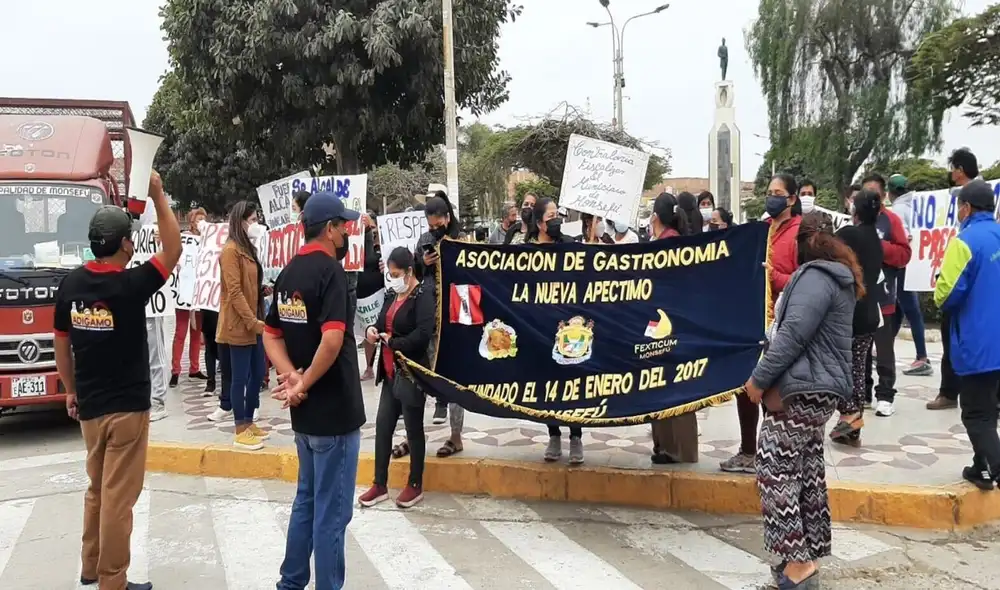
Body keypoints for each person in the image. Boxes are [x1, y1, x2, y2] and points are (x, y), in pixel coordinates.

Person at [53, 170, 180, 590]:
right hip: (126, 409)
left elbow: (61, 344)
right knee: (118, 499)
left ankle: (90, 569)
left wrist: (70, 390)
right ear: (126, 244)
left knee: (97, 490)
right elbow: (173, 248)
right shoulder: (131, 283)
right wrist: (159, 195)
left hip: (89, 408)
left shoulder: (70, 284)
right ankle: (113, 581)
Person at [746, 211, 858, 589]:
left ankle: (797, 563)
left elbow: (793, 335)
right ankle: (806, 554)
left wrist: (759, 379)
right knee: (806, 471)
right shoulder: (836, 277)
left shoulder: (814, 279)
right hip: (818, 390)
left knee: (775, 469)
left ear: (802, 243)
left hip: (802, 389)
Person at [263, 191, 365, 590]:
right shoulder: (331, 273)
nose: (346, 233)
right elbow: (333, 340)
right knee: (332, 513)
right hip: (334, 414)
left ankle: (290, 583)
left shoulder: (289, 273)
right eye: (343, 226)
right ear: (329, 229)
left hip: (304, 414)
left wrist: (291, 378)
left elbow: (271, 335)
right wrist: (300, 381)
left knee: (307, 500)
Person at [721, 173, 801, 474]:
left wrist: (774, 276)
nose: (772, 196)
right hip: (753, 321)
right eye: (769, 192)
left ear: (791, 199)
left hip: (784, 323)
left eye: (778, 192)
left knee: (775, 393)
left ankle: (774, 452)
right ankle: (748, 450)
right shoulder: (761, 231)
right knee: (747, 386)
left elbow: (804, 278)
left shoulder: (798, 234)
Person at [934, 179, 1000, 490]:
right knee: (989, 410)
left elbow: (947, 295)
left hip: (979, 343)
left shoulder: (965, 241)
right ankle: (981, 467)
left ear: (967, 208)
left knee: (976, 415)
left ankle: (995, 468)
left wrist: (938, 286)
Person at [358, 246, 434, 509]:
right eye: (390, 274)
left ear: (409, 271)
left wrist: (395, 342)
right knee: (383, 426)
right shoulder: (393, 294)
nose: (393, 278)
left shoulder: (423, 295)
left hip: (411, 372)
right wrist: (371, 330)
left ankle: (415, 484)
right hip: (390, 372)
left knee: (413, 429)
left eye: (396, 273)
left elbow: (423, 334)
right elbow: (380, 321)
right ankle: (379, 484)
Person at [524, 198, 585, 464]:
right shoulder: (524, 252)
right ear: (539, 223)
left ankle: (576, 436)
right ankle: (553, 434)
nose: (556, 219)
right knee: (546, 383)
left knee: (571, 380)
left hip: (568, 326)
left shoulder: (570, 246)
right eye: (551, 216)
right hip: (538, 326)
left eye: (557, 215)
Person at [647, 192, 699, 465]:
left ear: (656, 216)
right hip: (674, 322)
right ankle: (671, 447)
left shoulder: (666, 245)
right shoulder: (674, 241)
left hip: (667, 324)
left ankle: (672, 448)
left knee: (667, 385)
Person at [927, 149, 981, 410]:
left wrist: (943, 293)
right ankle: (951, 392)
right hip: (962, 272)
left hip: (968, 279)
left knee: (956, 333)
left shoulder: (978, 200)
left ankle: (953, 393)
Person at [829, 189, 883, 445]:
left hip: (850, 315)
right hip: (869, 313)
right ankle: (852, 422)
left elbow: (824, 245)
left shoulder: (850, 234)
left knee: (842, 367)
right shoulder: (875, 237)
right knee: (858, 369)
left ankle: (849, 416)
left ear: (855, 211)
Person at [414, 194, 466, 454]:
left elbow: (472, 273)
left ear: (447, 218)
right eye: (430, 226)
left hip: (456, 314)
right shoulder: (424, 241)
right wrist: (423, 264)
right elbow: (412, 272)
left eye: (438, 225)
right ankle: (421, 427)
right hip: (429, 315)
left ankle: (456, 436)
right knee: (430, 369)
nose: (434, 230)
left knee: (456, 373)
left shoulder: (461, 239)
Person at [217, 201, 268, 450]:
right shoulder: (230, 251)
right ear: (241, 221)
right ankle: (239, 428)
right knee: (239, 378)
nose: (254, 224)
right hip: (239, 324)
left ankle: (249, 421)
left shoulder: (249, 249)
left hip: (254, 321)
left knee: (258, 373)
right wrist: (251, 321)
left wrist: (263, 290)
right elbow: (234, 291)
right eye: (252, 219)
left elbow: (249, 287)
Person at [860, 173, 912, 417]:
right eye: (865, 194)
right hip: (859, 298)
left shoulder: (891, 221)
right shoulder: (855, 221)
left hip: (884, 297)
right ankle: (864, 392)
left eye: (874, 194)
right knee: (860, 350)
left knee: (883, 349)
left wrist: (879, 248)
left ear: (883, 196)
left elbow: (904, 254)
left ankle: (885, 395)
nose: (869, 198)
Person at [883, 174, 933, 377]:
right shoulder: (917, 207)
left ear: (890, 192)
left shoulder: (896, 211)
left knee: (911, 309)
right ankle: (885, 347)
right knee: (898, 308)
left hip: (903, 265)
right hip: (918, 264)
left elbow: (902, 238)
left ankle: (922, 357)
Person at [168, 208, 208, 388]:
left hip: (200, 292)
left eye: (203, 220)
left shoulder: (208, 241)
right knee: (181, 332)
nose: (201, 224)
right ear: (191, 222)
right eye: (198, 220)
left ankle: (194, 368)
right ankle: (175, 370)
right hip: (183, 292)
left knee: (197, 332)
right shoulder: (183, 238)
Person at [357, 211, 382, 381]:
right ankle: (369, 367)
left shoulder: (385, 243)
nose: (371, 230)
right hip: (363, 295)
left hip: (381, 292)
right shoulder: (358, 244)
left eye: (372, 227)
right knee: (368, 332)